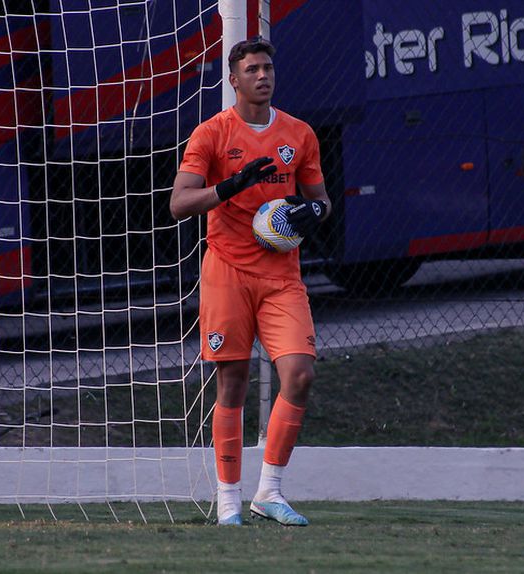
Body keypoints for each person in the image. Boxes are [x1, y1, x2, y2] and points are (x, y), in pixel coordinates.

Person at [170, 37, 331, 526]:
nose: (263, 76)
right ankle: (228, 501)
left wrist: (310, 212)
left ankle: (270, 492)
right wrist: (229, 187)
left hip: (281, 276)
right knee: (233, 381)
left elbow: (322, 202)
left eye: (268, 68)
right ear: (233, 80)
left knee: (300, 374)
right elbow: (179, 203)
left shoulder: (299, 134)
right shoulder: (211, 134)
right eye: (253, 70)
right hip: (227, 271)